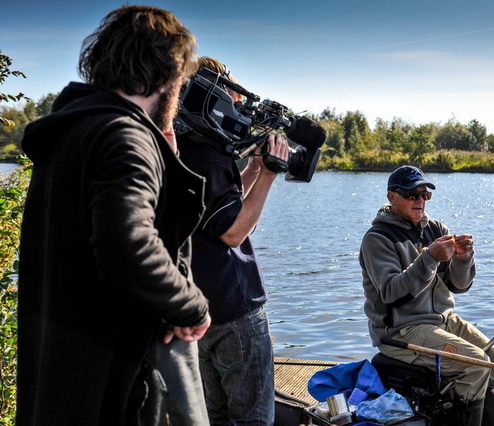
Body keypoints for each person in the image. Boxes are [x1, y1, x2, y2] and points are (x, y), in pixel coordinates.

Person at [17, 6, 212, 425]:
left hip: (62, 372)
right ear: (166, 77)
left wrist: (168, 163)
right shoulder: (125, 137)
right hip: (113, 377)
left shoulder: (71, 130)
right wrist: (191, 306)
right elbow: (128, 246)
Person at [176, 57, 290, 425]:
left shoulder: (184, 147)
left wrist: (255, 167)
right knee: (253, 418)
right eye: (233, 97)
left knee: (215, 417)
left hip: (199, 307)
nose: (239, 108)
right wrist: (271, 177)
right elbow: (233, 231)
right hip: (234, 309)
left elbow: (219, 209)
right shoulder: (210, 155)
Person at [359, 165, 494, 426]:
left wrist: (464, 258)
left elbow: (459, 286)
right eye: (412, 195)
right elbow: (392, 294)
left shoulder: (436, 229)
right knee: (476, 365)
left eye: (425, 195)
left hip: (441, 319)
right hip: (401, 330)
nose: (420, 200)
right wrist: (428, 257)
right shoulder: (377, 238)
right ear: (392, 197)